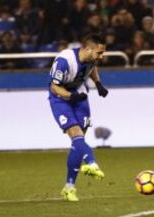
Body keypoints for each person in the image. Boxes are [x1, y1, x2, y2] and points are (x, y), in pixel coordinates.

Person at [48, 33, 108, 201]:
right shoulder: (65, 61)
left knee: (78, 141)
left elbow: (92, 67)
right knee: (76, 134)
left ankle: (69, 187)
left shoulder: (91, 58)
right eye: (99, 53)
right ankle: (92, 163)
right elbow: (54, 87)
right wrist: (70, 96)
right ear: (88, 49)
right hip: (60, 98)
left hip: (80, 95)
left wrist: (98, 83)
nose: (101, 57)